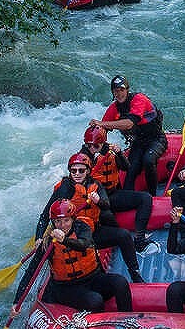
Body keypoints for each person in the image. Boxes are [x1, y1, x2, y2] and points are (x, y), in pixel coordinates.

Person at [34, 153, 145, 282]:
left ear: (88, 171)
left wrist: (98, 201)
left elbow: (106, 205)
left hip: (93, 231)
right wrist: (39, 237)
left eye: (81, 170)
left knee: (124, 235)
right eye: (73, 170)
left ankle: (135, 273)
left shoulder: (95, 184)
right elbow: (45, 215)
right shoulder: (64, 189)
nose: (77, 174)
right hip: (73, 237)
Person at [14, 199, 132, 314]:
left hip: (93, 278)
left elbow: (84, 245)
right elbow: (31, 272)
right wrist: (17, 302)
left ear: (72, 219)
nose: (62, 225)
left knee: (120, 282)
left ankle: (128, 319)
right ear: (53, 223)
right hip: (67, 288)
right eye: (58, 222)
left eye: (66, 220)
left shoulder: (82, 228)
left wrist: (64, 240)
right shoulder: (48, 243)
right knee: (95, 301)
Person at [78, 125, 154, 253]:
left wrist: (119, 154)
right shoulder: (82, 160)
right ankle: (115, 241)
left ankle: (139, 238)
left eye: (95, 146)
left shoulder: (111, 152)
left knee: (146, 198)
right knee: (108, 216)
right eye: (88, 145)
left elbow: (126, 168)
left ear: (103, 143)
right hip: (96, 202)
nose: (92, 149)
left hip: (112, 195)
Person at [89, 75, 167, 196]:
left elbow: (129, 124)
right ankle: (126, 198)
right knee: (130, 169)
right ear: (113, 93)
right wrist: (93, 149)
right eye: (116, 91)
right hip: (138, 143)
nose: (119, 93)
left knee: (148, 160)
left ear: (127, 90)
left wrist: (101, 123)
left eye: (122, 90)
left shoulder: (138, 99)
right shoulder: (114, 108)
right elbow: (102, 130)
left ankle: (153, 196)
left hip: (156, 139)